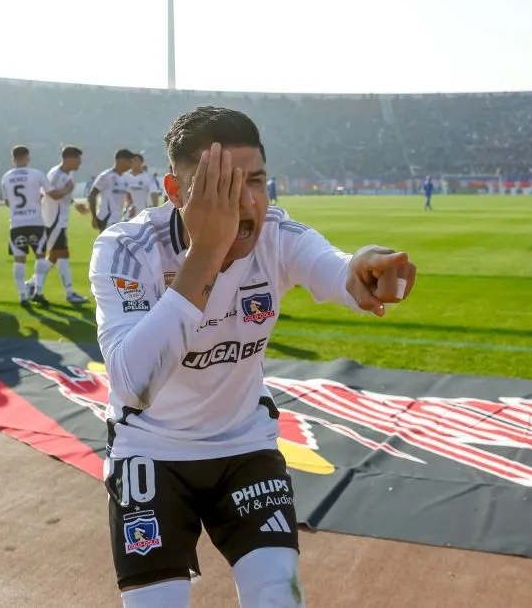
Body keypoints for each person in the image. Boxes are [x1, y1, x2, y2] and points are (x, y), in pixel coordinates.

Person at [88, 106, 417, 608]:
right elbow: (132, 383)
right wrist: (207, 253)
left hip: (244, 447)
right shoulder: (128, 249)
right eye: (219, 186)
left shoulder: (277, 236)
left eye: (256, 181)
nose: (244, 203)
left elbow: (336, 269)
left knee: (278, 598)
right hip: (151, 450)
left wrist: (364, 271)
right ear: (175, 192)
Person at [1, 145, 74, 307]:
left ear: (13, 159)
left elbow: (7, 202)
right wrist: (68, 188)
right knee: (40, 256)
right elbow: (53, 194)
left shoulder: (6, 177)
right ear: (28, 158)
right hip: (35, 221)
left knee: (19, 259)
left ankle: (22, 296)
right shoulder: (36, 174)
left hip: (16, 223)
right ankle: (39, 293)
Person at [26, 146, 90, 306]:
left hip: (60, 220)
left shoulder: (69, 174)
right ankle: (68, 292)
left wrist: (75, 203)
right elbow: (49, 193)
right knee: (62, 255)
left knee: (54, 257)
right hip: (51, 221)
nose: (80, 163)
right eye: (78, 159)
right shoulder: (55, 174)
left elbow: (63, 195)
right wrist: (67, 189)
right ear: (68, 158)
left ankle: (32, 285)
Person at [88, 148, 135, 232]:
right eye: (129, 161)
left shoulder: (126, 177)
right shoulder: (106, 176)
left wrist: (130, 207)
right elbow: (92, 195)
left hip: (118, 219)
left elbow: (129, 198)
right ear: (121, 160)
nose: (131, 164)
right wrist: (94, 217)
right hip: (106, 219)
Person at [122, 153, 153, 220]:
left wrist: (154, 210)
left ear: (141, 162)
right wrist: (129, 206)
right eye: (131, 160)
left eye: (135, 160)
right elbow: (126, 194)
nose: (132, 162)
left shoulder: (147, 177)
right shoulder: (125, 176)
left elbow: (154, 193)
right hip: (129, 214)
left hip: (143, 214)